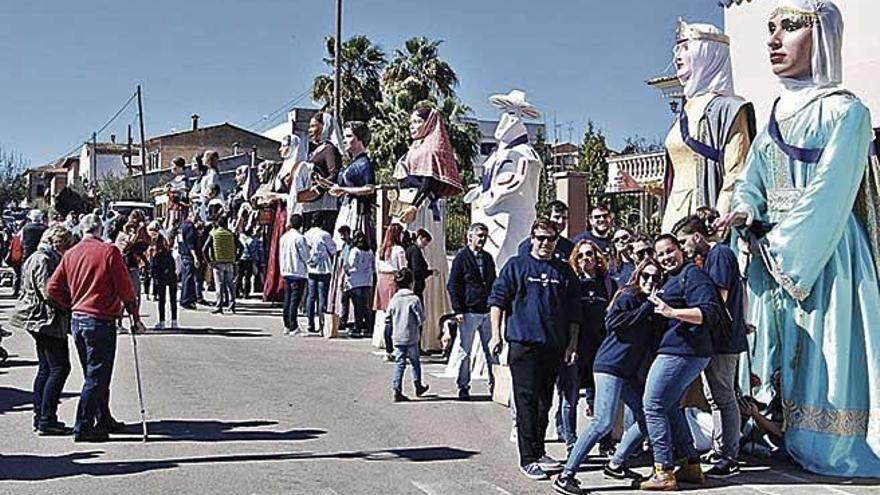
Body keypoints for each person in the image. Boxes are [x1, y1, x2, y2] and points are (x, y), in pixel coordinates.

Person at [717, 0, 880, 476]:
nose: (773, 39)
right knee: (777, 343)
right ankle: (773, 430)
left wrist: (779, 246)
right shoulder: (773, 115)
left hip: (826, 253)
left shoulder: (846, 111)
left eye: (789, 27)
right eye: (770, 28)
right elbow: (752, 177)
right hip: (773, 250)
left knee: (827, 348)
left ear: (823, 36)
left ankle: (829, 441)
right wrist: (746, 207)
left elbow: (832, 191)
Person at [554, 258, 666, 495]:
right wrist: (647, 306)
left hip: (628, 371)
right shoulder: (628, 297)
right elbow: (615, 323)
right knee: (603, 422)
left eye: (656, 278)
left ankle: (616, 463)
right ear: (637, 276)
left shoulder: (654, 306)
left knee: (647, 418)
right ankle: (567, 475)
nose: (650, 282)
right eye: (646, 276)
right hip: (610, 366)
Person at [488, 217, 581, 481]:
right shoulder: (516, 266)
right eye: (540, 238)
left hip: (553, 346)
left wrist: (572, 345)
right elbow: (497, 301)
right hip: (523, 345)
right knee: (526, 402)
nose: (545, 243)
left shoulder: (564, 271)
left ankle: (539, 451)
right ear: (532, 238)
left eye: (551, 239)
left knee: (545, 402)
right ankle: (527, 458)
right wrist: (495, 335)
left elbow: (575, 314)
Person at [46, 214, 146, 442]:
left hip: (79, 319)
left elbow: (52, 288)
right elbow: (125, 288)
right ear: (100, 230)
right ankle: (83, 425)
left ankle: (103, 417)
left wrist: (70, 305)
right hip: (100, 320)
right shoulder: (109, 252)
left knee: (94, 373)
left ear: (82, 231)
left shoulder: (70, 254)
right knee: (98, 375)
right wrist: (135, 316)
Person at [639, 235, 724, 490]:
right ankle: (690, 465)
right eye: (661, 254)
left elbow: (708, 312)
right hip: (679, 350)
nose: (666, 257)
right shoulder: (671, 279)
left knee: (652, 405)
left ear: (681, 250)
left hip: (684, 352)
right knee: (670, 405)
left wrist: (672, 312)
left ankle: (662, 471)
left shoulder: (693, 276)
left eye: (670, 251)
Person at [659, 18, 755, 234]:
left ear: (708, 53)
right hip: (674, 214)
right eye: (677, 49)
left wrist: (717, 228)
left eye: (685, 48)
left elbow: (736, 173)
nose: (677, 56)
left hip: (704, 215)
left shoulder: (729, 109)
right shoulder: (683, 111)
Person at [674, 214, 746, 476]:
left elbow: (719, 298)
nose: (683, 247)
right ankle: (721, 448)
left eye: (684, 241)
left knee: (724, 397)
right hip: (715, 341)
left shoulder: (720, 255)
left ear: (697, 236)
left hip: (724, 342)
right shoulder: (708, 259)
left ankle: (730, 455)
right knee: (715, 397)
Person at [391, 106, 461, 352]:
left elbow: (429, 181)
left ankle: (429, 332)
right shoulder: (413, 148)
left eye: (416, 122)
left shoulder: (431, 149)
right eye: (410, 122)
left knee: (423, 263)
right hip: (405, 207)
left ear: (428, 124)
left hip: (421, 211)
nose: (411, 126)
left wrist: (414, 205)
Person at [8, 226, 74, 435]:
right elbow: (49, 292)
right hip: (44, 319)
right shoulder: (43, 259)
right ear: (58, 243)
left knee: (47, 368)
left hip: (40, 319)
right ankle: (46, 418)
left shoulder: (39, 256)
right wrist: (69, 307)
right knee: (59, 368)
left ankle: (42, 416)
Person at [466, 89, 544, 268]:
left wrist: (490, 196)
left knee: (508, 259)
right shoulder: (498, 153)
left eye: (512, 114)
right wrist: (479, 191)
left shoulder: (523, 153)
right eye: (506, 113)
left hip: (511, 217)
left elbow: (514, 180)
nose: (506, 119)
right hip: (491, 216)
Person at [557, 240, 617, 452]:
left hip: (601, 350)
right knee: (569, 397)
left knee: (602, 400)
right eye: (581, 256)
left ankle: (605, 442)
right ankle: (571, 441)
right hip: (574, 348)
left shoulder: (608, 284)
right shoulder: (570, 282)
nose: (586, 259)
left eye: (589, 254)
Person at [446, 222, 497, 400]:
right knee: (465, 352)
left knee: (491, 351)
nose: (482, 239)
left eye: (485, 235)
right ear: (470, 236)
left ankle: (496, 386)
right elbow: (453, 285)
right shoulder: (462, 258)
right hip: (468, 312)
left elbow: (493, 282)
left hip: (487, 311)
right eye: (480, 235)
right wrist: (458, 309)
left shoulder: (488, 258)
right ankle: (463, 386)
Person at [329, 121, 376, 249]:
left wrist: (343, 189)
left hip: (358, 211)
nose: (344, 140)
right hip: (347, 208)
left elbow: (369, 188)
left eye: (349, 136)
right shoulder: (352, 163)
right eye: (344, 136)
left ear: (360, 139)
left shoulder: (364, 163)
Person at [387, 268, 430, 402]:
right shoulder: (414, 299)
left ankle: (397, 388)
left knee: (400, 363)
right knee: (415, 362)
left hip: (398, 336)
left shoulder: (394, 299)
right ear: (411, 283)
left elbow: (388, 317)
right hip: (411, 336)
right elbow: (421, 318)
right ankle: (418, 385)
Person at [373, 223, 408, 356]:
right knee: (394, 316)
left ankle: (388, 347)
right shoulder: (399, 250)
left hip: (382, 279)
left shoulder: (381, 249)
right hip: (393, 280)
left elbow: (377, 268)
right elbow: (403, 268)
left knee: (386, 315)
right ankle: (393, 346)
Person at [303, 212, 336, 333]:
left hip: (310, 267)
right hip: (323, 268)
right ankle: (322, 324)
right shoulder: (324, 235)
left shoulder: (306, 234)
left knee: (311, 296)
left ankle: (310, 323)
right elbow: (333, 250)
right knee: (322, 296)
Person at [279, 214, 310, 335]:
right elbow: (306, 256)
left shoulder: (284, 237)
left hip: (286, 271)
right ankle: (293, 326)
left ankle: (286, 324)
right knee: (294, 301)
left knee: (287, 299)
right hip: (298, 272)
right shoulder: (299, 238)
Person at [203, 216, 238, 314]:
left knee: (219, 286)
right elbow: (241, 247)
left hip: (218, 263)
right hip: (230, 262)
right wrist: (236, 258)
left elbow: (204, 249)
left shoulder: (213, 234)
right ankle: (232, 306)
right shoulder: (231, 234)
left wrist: (209, 261)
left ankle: (219, 306)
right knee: (230, 285)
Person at [343, 232, 374, 338]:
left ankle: (358, 327)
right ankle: (369, 327)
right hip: (367, 280)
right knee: (366, 306)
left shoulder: (355, 251)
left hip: (355, 281)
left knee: (357, 306)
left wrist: (346, 269)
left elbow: (350, 264)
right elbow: (373, 265)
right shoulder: (369, 251)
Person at [150, 232, 178, 330]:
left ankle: (162, 321)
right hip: (171, 276)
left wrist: (154, 279)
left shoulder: (156, 255)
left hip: (161, 278)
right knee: (173, 299)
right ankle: (174, 321)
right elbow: (174, 266)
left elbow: (153, 269)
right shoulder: (168, 254)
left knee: (162, 300)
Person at [178, 210, 201, 310]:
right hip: (189, 255)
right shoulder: (190, 227)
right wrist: (195, 257)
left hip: (182, 254)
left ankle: (186, 298)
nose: (197, 218)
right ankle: (186, 300)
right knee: (189, 278)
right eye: (196, 216)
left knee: (185, 278)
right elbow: (191, 243)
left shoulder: (181, 226)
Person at [405, 228, 433, 300]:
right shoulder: (415, 251)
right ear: (420, 238)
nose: (425, 245)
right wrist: (429, 272)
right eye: (425, 242)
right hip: (416, 286)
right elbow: (417, 270)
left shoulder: (412, 249)